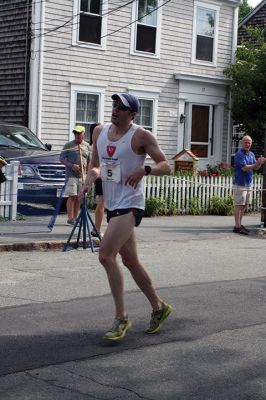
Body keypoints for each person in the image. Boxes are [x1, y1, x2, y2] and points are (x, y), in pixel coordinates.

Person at [80, 92, 172, 341]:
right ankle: (159, 307)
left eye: (121, 106)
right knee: (130, 261)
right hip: (112, 204)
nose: (115, 109)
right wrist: (90, 178)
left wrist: (145, 169)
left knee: (105, 256)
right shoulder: (99, 131)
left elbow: (166, 164)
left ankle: (121, 318)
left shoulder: (141, 135)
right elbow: (96, 165)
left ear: (132, 114)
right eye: (114, 104)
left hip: (131, 204)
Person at [233, 135, 265, 235]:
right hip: (240, 183)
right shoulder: (239, 154)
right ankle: (237, 227)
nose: (248, 144)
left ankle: (239, 224)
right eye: (246, 142)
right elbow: (245, 168)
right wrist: (257, 164)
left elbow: (255, 168)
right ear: (242, 143)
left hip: (248, 183)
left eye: (249, 143)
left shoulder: (251, 154)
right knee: (239, 205)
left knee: (245, 205)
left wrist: (260, 163)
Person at [60, 125, 90, 225]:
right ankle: (70, 218)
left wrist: (89, 174)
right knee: (72, 196)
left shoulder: (87, 146)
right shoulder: (68, 145)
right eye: (75, 133)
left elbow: (90, 161)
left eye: (79, 133)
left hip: (82, 176)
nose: (76, 135)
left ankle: (76, 218)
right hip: (71, 175)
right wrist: (71, 165)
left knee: (79, 197)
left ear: (83, 135)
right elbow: (61, 158)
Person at [89, 123, 105, 239]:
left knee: (103, 203)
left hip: (102, 176)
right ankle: (97, 229)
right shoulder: (96, 146)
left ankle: (97, 228)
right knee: (102, 203)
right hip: (102, 176)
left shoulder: (93, 145)